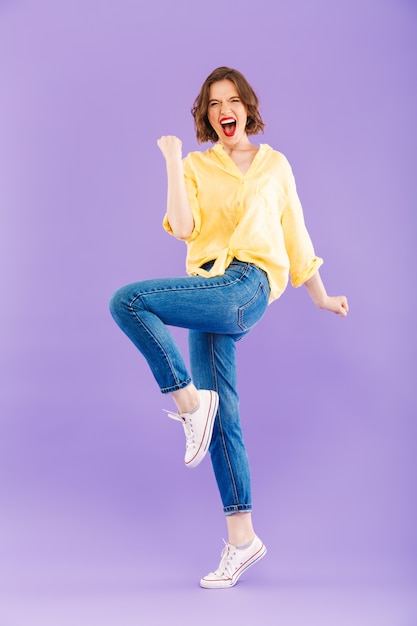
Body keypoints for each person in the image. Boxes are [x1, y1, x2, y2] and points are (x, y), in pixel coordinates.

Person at [109, 66, 348, 589]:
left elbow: (296, 234)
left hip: (248, 284)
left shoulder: (274, 165)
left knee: (128, 301)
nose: (224, 111)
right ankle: (243, 539)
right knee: (226, 418)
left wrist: (322, 296)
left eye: (232, 100)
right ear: (206, 115)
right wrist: (173, 161)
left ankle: (189, 404)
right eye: (214, 104)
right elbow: (186, 228)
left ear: (247, 108)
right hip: (208, 290)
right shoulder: (196, 164)